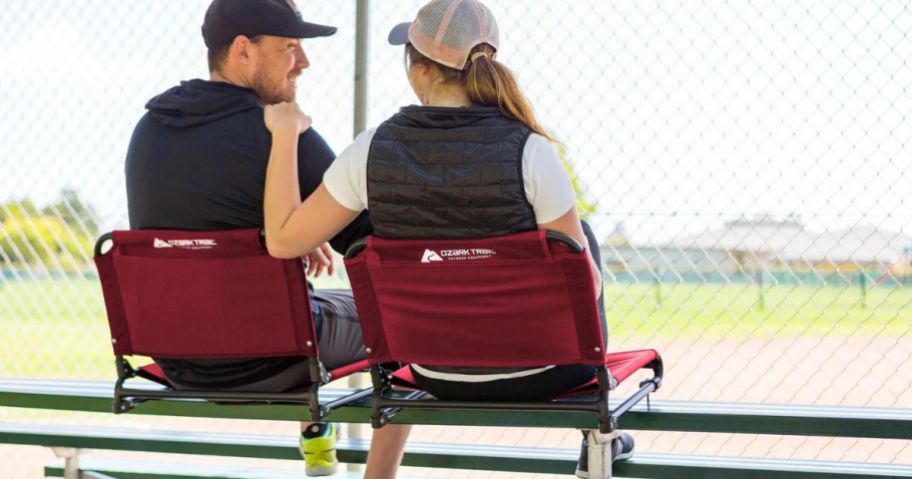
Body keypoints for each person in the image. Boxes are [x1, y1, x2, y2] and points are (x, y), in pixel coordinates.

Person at [260, 0, 633, 476]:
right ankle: (598, 438)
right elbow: (588, 288)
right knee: (581, 245)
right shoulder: (531, 150)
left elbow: (284, 241)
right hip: (547, 372)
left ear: (416, 68)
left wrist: (284, 135)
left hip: (434, 371)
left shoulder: (370, 150)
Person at [124, 0, 410, 477]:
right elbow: (370, 245)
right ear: (243, 51)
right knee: (401, 315)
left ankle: (317, 442)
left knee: (291, 298)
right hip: (275, 355)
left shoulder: (150, 128)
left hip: (177, 357)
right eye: (290, 47)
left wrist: (298, 228)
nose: (304, 62)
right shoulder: (278, 130)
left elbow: (201, 229)